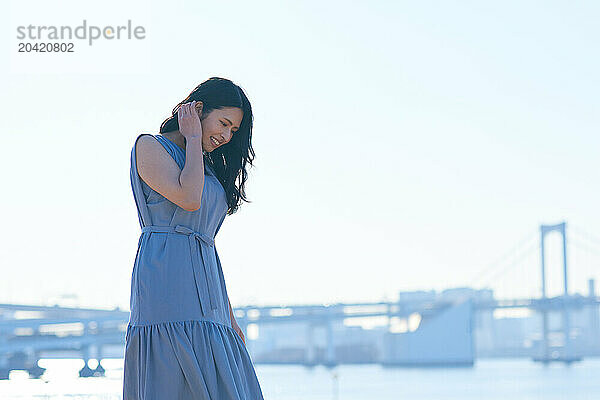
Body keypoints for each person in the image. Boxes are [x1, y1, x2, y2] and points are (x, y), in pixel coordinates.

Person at [123, 77, 264, 399]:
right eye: (224, 123)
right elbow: (188, 199)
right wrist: (193, 137)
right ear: (197, 109)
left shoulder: (205, 166)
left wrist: (228, 316)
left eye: (233, 131)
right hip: (165, 276)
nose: (226, 136)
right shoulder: (150, 146)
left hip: (209, 287)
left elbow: (206, 241)